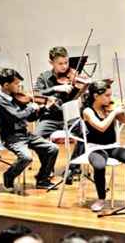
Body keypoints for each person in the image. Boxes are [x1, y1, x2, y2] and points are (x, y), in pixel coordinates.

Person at [83, 80, 125, 212]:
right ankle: (101, 198)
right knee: (99, 166)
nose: (110, 99)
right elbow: (101, 127)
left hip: (113, 146)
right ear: (96, 96)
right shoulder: (88, 111)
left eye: (110, 95)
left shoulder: (110, 109)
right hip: (95, 148)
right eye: (107, 95)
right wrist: (114, 113)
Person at [0, 69, 58, 191]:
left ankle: (42, 179)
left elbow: (30, 118)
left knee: (52, 148)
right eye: (16, 83)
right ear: (6, 85)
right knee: (26, 157)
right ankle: (8, 176)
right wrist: (31, 108)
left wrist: (43, 108)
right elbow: (17, 116)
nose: (19, 86)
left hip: (24, 134)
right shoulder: (1, 102)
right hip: (11, 137)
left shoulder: (16, 98)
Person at [34, 46, 85, 183]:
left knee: (86, 132)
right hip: (50, 117)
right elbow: (36, 94)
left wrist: (82, 88)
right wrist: (55, 88)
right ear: (51, 63)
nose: (64, 67)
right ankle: (47, 167)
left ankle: (73, 166)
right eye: (60, 63)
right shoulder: (44, 77)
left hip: (69, 117)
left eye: (66, 63)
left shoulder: (72, 75)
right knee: (36, 137)